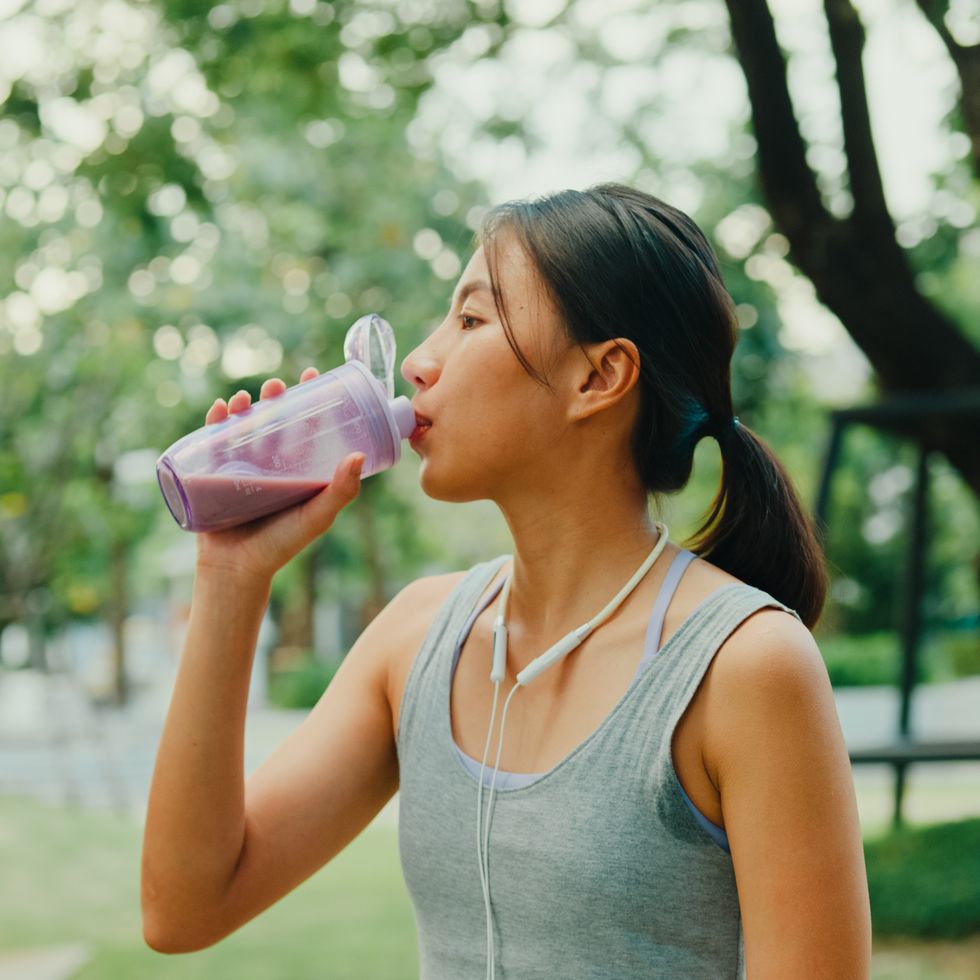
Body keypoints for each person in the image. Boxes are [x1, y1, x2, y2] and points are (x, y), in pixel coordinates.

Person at [141, 183, 871, 978]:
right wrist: (230, 574)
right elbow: (185, 907)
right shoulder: (417, 637)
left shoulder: (744, 668)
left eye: (471, 319)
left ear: (599, 377)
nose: (419, 363)